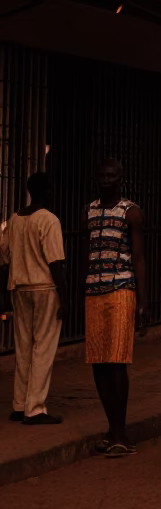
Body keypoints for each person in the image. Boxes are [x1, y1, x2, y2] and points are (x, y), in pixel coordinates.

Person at [82, 158, 147, 458]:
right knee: (99, 363)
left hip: (122, 291)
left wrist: (142, 302)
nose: (107, 180)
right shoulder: (89, 211)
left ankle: (121, 434)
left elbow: (138, 258)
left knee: (117, 361)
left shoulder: (131, 212)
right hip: (93, 292)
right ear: (97, 178)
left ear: (121, 178)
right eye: (102, 175)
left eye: (112, 175)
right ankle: (111, 429)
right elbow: (87, 252)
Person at [0, 173, 66, 425]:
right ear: (48, 192)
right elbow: (56, 261)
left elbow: (4, 250)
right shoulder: (49, 220)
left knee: (23, 346)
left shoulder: (14, 219)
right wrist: (65, 296)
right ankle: (35, 408)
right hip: (45, 287)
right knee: (43, 348)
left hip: (19, 287)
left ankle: (19, 404)